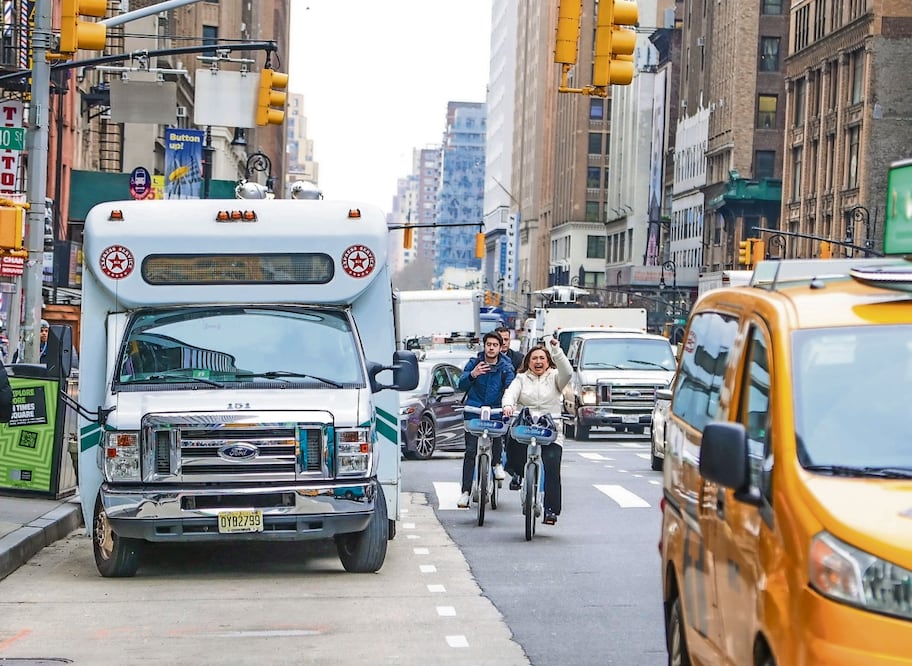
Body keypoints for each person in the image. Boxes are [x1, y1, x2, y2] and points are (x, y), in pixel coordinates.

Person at [501, 337, 572, 525]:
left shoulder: (556, 377)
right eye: (534, 358)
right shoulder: (521, 378)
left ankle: (551, 510)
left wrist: (557, 351)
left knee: (552, 467)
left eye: (542, 358)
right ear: (528, 362)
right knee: (513, 449)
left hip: (550, 429)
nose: (538, 362)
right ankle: (518, 474)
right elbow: (510, 393)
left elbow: (568, 372)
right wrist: (508, 406)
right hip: (525, 426)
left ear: (548, 361)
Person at [456, 331, 516, 509]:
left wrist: (508, 405)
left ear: (500, 347)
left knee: (497, 435)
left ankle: (497, 463)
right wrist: (472, 374)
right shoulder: (474, 362)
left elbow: (511, 388)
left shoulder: (506, 366)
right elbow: (461, 384)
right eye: (488, 344)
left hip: (496, 409)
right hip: (474, 410)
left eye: (495, 345)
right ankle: (465, 492)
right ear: (484, 346)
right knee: (470, 451)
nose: (491, 348)